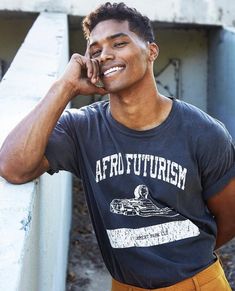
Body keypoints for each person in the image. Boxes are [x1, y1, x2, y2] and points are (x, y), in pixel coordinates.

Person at [0, 2, 235, 290]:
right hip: (124, 286)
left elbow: (230, 217)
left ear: (151, 51)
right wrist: (65, 87)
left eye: (119, 43)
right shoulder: (81, 129)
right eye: (95, 51)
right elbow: (13, 167)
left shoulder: (204, 132)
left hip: (197, 284)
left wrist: (182, 264)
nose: (105, 55)